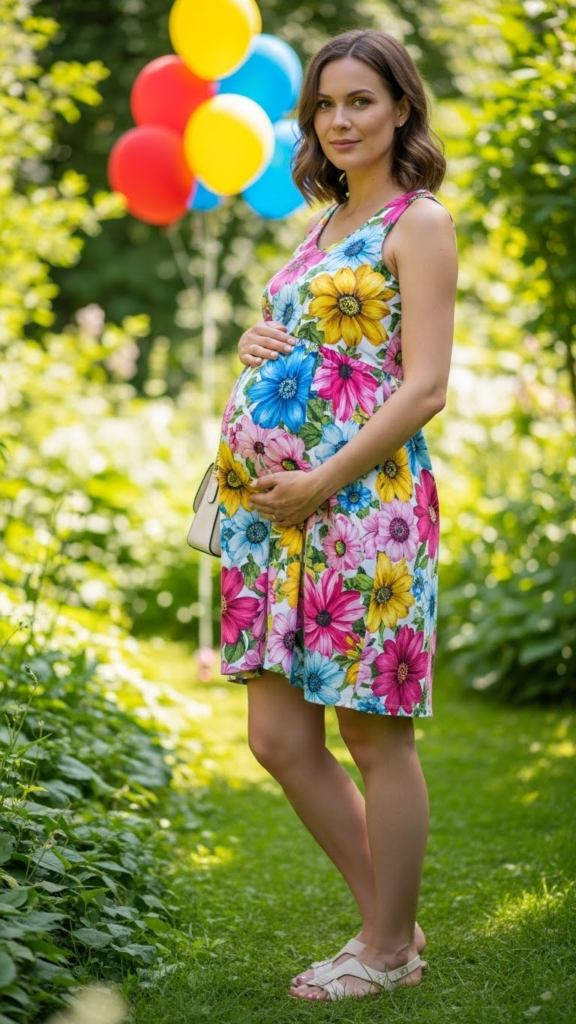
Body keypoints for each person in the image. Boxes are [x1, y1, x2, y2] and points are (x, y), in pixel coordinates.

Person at [217, 28, 457, 1002]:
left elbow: (424, 385)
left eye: (361, 100)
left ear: (401, 106)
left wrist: (322, 480)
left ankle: (386, 945)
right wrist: (255, 337)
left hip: (364, 509)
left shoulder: (418, 222)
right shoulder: (319, 227)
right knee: (277, 738)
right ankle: (391, 928)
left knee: (372, 736)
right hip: (272, 519)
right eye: (325, 104)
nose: (340, 120)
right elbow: (317, 342)